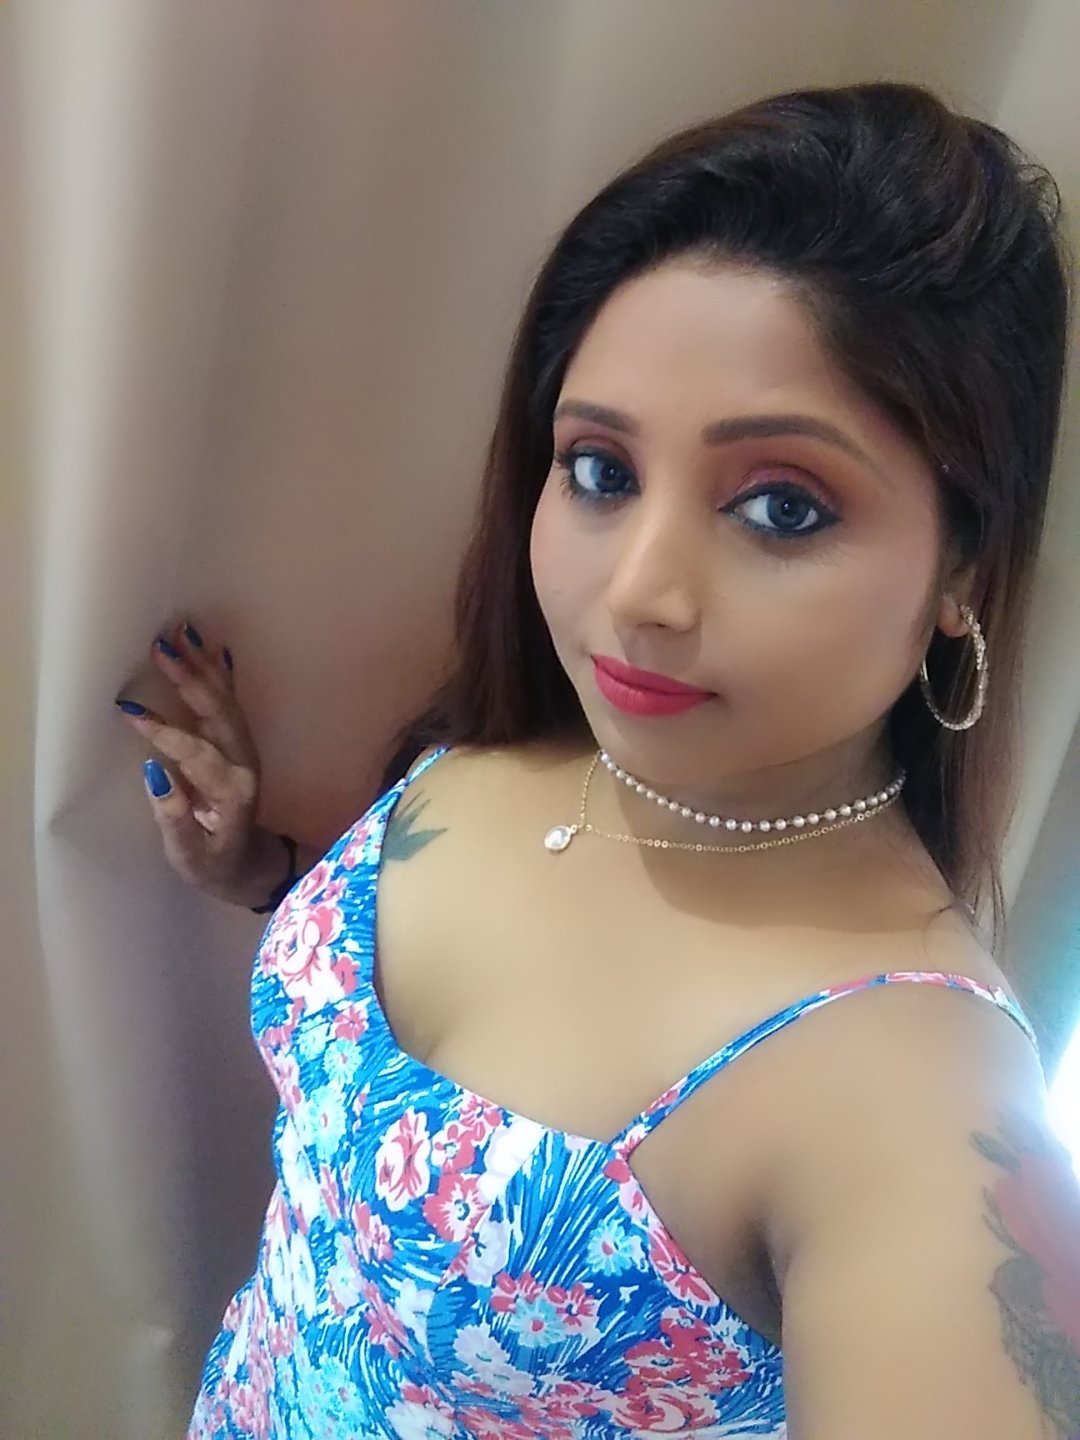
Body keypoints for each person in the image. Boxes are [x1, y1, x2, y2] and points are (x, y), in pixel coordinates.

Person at [116, 80, 1080, 1440]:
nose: (638, 592)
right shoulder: (546, 738)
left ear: (963, 567)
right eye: (601, 471)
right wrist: (262, 867)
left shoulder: (915, 1103)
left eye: (781, 507)